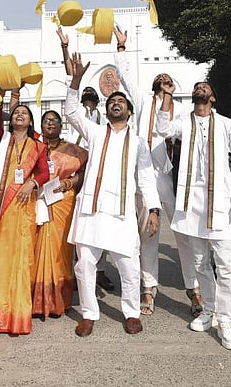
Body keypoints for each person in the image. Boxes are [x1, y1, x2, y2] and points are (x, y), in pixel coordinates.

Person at [65, 51, 161, 337]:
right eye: (112, 102)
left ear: (129, 111)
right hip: (92, 211)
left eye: (121, 101)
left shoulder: (139, 143)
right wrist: (76, 80)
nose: (116, 103)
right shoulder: (95, 132)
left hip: (121, 214)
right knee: (85, 265)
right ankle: (89, 314)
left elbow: (146, 178)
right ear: (106, 111)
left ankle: (131, 313)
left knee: (129, 267)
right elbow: (71, 113)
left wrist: (153, 210)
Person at [154, 67, 231, 350]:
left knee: (225, 265)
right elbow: (163, 129)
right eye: (197, 86)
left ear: (213, 97)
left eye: (205, 86)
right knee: (200, 263)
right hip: (192, 204)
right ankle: (209, 310)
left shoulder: (227, 125)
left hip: (221, 204)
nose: (200, 88)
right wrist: (166, 96)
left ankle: (226, 320)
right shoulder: (185, 121)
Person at [112, 27, 202, 316]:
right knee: (148, 234)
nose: (164, 79)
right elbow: (125, 76)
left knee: (183, 234)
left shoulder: (184, 110)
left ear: (173, 86)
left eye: (168, 78)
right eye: (159, 78)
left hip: (171, 178)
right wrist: (122, 47)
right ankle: (149, 288)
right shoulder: (141, 101)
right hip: (143, 175)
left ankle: (194, 288)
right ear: (155, 86)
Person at [0, 89, 50, 335]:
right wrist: (1, 101)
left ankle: (17, 315)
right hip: (2, 206)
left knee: (21, 257)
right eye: (17, 113)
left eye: (24, 114)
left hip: (23, 206)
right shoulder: (3, 140)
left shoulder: (38, 146)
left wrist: (32, 183)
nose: (20, 115)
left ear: (30, 122)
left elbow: (45, 173)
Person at [58, 28, 114, 292]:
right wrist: (65, 47)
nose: (89, 98)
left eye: (93, 96)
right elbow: (72, 75)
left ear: (98, 100)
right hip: (73, 167)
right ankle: (73, 269)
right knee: (73, 219)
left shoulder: (104, 122)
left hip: (96, 171)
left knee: (99, 219)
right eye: (86, 95)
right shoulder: (78, 115)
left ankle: (99, 270)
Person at [32, 110, 88, 318]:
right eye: (46, 120)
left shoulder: (73, 150)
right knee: (35, 248)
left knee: (60, 251)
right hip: (37, 201)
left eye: (54, 120)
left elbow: (85, 171)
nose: (50, 123)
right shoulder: (33, 147)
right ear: (41, 125)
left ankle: (59, 301)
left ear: (61, 125)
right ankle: (37, 301)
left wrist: (68, 183)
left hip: (62, 201)